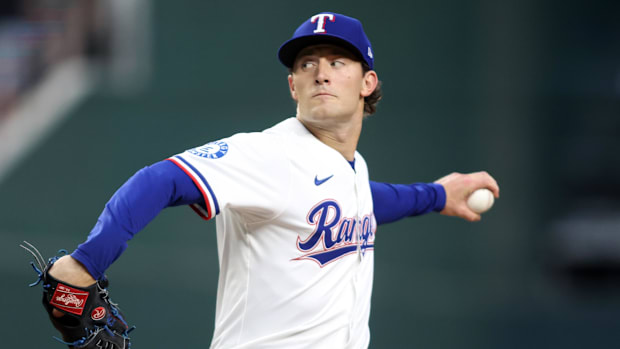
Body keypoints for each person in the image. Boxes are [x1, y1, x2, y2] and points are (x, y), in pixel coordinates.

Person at [46, 12, 499, 348]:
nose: (321, 71)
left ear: (368, 82)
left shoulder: (351, 168)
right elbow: (158, 180)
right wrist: (86, 262)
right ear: (292, 87)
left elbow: (366, 201)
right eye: (307, 64)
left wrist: (438, 195)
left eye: (338, 61)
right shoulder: (268, 154)